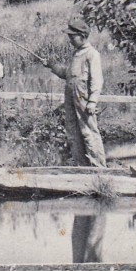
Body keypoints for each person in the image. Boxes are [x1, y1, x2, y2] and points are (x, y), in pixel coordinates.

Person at [41, 19, 106, 167]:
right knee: (72, 132)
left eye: (73, 37)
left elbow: (97, 79)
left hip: (84, 97)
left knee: (88, 132)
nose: (70, 40)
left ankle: (99, 167)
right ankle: (81, 165)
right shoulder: (75, 54)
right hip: (70, 96)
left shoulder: (92, 54)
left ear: (82, 36)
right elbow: (68, 74)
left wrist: (92, 101)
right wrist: (52, 65)